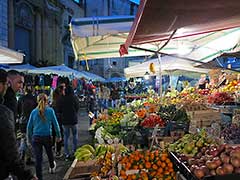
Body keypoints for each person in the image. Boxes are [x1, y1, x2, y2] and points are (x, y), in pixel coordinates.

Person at [0, 69, 37, 180]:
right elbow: (9, 147)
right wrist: (26, 175)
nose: (21, 86)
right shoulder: (7, 106)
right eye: (19, 82)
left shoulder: (15, 100)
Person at [27, 93, 61, 180]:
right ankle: (52, 165)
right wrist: (58, 135)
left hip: (36, 137)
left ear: (37, 101)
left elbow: (29, 127)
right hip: (47, 137)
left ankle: (39, 177)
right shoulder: (50, 111)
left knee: (38, 159)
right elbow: (56, 124)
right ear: (47, 101)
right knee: (49, 153)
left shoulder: (33, 112)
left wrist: (29, 139)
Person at [57, 85, 80, 160]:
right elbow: (77, 107)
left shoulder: (61, 99)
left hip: (65, 120)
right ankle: (75, 151)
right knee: (74, 136)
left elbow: (59, 109)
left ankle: (67, 153)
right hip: (73, 120)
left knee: (66, 137)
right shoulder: (74, 98)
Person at [18, 85, 37, 165]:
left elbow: (18, 109)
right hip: (31, 122)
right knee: (29, 140)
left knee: (23, 139)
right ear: (32, 90)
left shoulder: (21, 98)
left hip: (22, 122)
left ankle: (21, 157)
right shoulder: (34, 98)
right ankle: (28, 159)